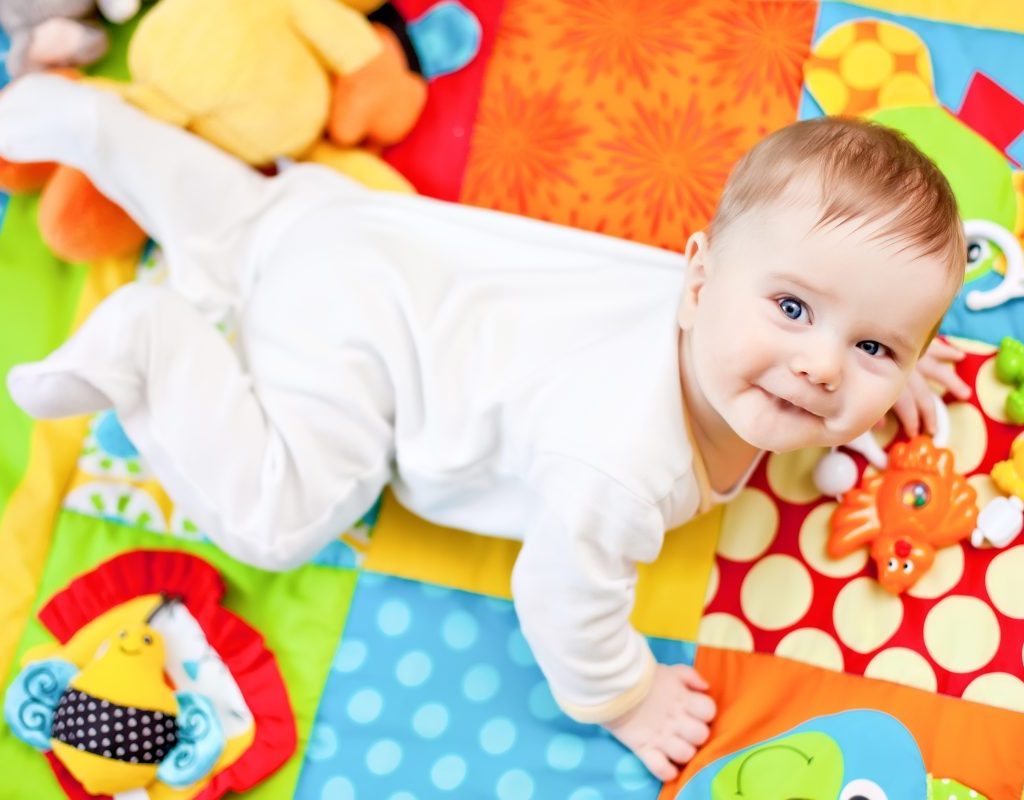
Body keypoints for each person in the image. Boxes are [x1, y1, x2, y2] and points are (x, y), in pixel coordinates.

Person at [0, 74, 969, 781]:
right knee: (277, 517)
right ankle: (153, 344)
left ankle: (93, 122)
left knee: (255, 225)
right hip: (356, 351)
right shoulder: (625, 466)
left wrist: (896, 360)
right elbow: (559, 596)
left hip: (362, 232)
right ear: (701, 273)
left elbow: (831, 319)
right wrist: (624, 694)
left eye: (874, 345)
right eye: (795, 310)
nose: (821, 364)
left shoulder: (718, 299)